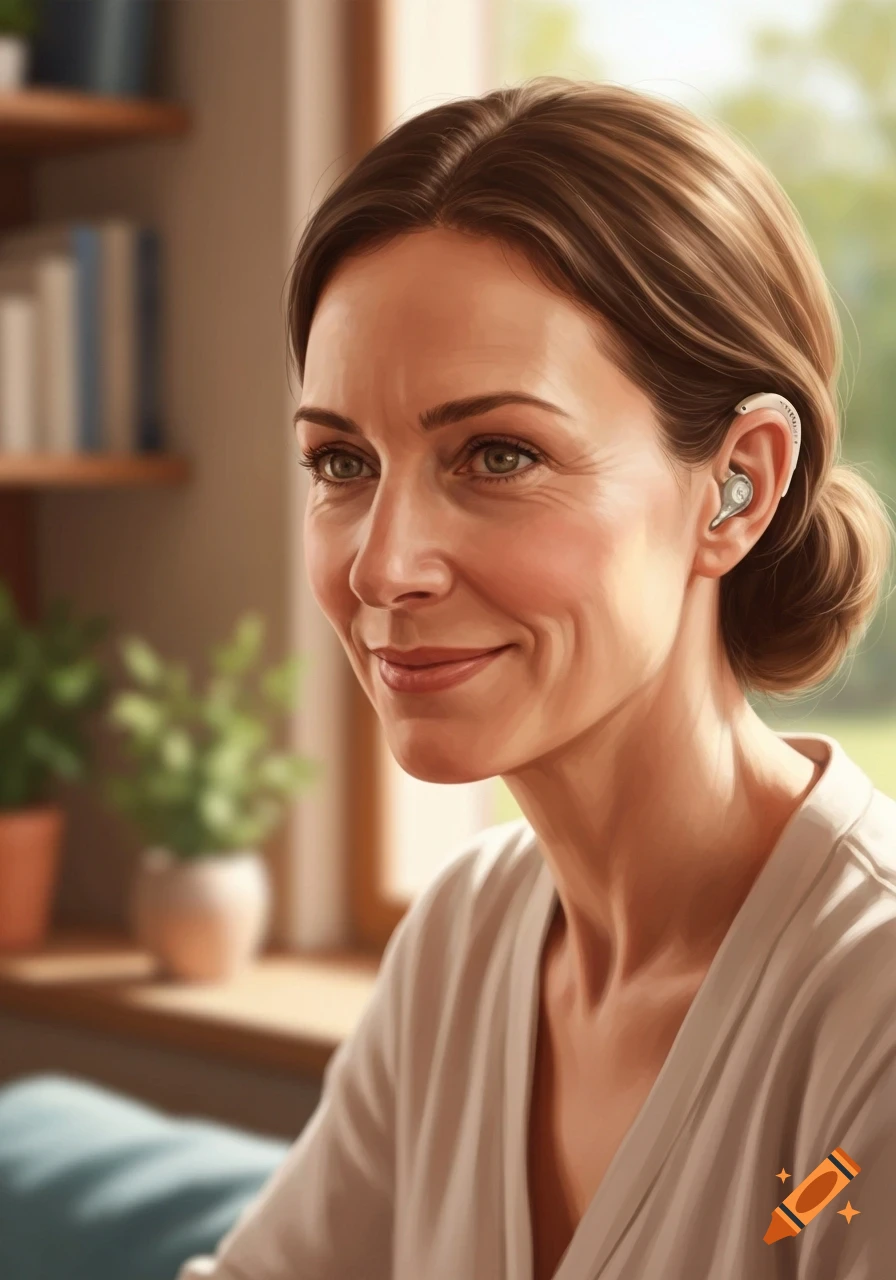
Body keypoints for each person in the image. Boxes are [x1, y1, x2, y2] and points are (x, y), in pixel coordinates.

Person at [177, 77, 896, 1280]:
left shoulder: (866, 1014)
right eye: (341, 460)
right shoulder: (466, 936)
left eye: (496, 454)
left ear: (737, 486)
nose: (383, 564)